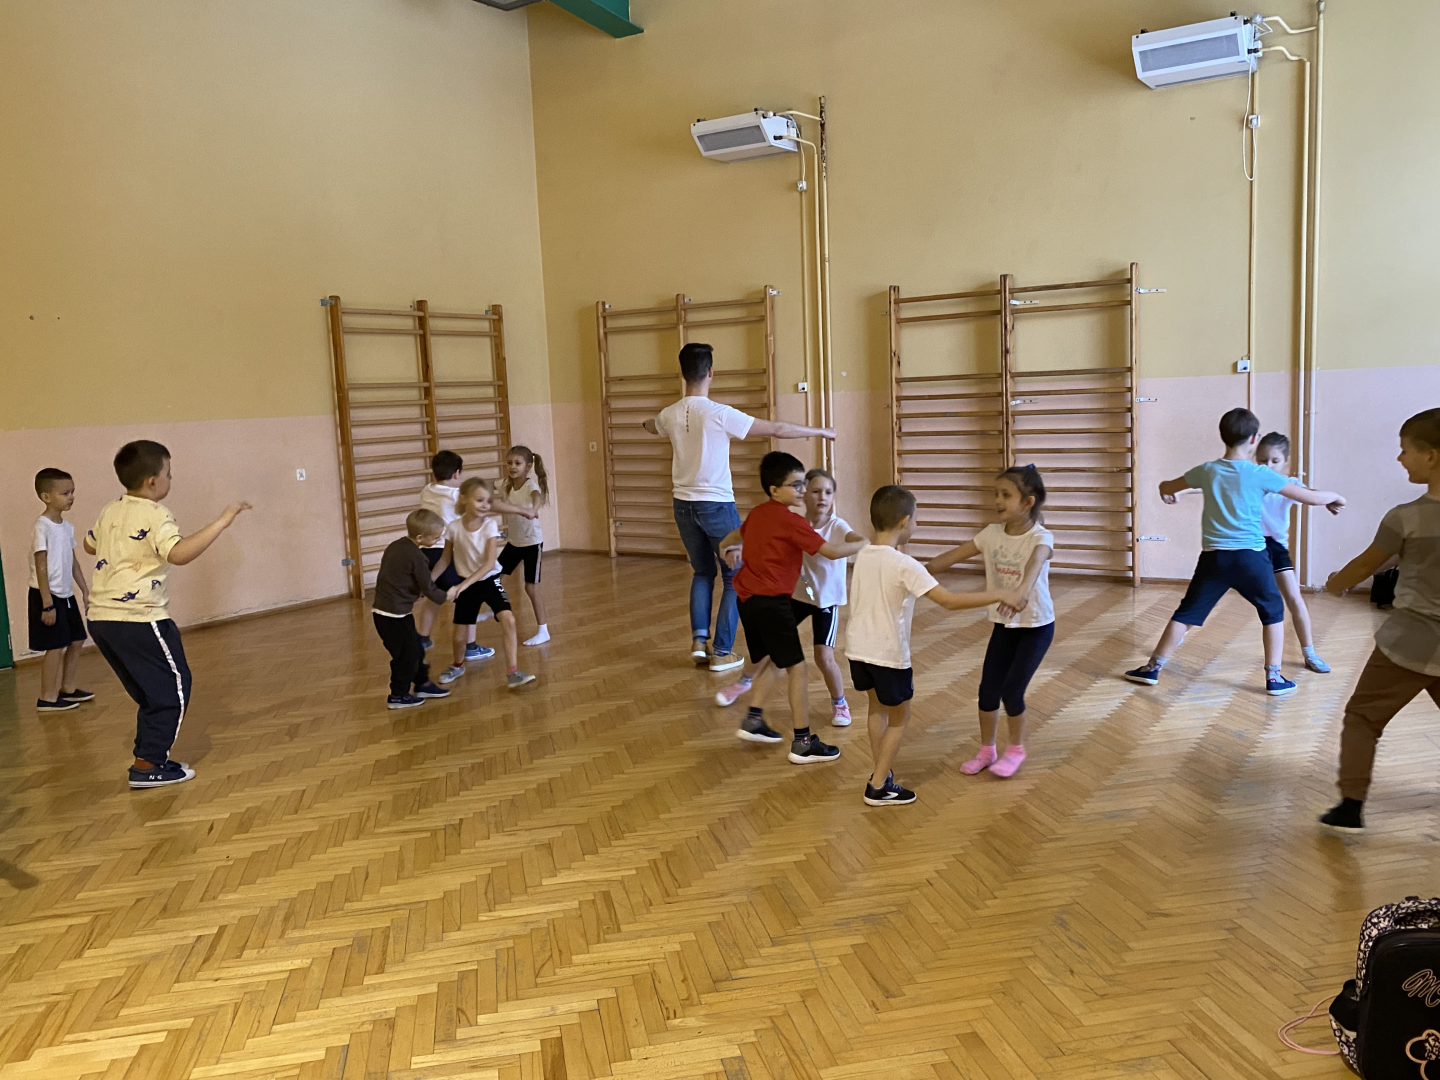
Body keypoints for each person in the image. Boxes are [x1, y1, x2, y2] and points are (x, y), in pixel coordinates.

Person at [643, 342, 837, 673]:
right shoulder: (719, 413)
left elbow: (652, 425)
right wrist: (821, 431)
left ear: (682, 373)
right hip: (716, 506)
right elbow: (777, 429)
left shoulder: (669, 414)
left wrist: (648, 424)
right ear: (710, 372)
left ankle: (699, 641)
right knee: (735, 575)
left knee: (702, 572)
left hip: (683, 506)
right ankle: (721, 651)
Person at [1123, 407, 1344, 696]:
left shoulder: (1207, 470)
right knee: (1273, 610)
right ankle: (1274, 678)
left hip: (1214, 558)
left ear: (1223, 436)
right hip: (1252, 557)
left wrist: (1168, 492)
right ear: (1254, 439)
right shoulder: (1260, 474)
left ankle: (1152, 668)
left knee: (1187, 613)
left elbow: (1168, 486)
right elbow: (1312, 498)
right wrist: (1335, 497)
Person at [83, 440, 251, 788]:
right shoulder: (156, 513)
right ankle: (148, 766)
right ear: (152, 482)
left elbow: (89, 544)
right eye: (169, 474)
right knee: (173, 689)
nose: (171, 480)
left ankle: (148, 757)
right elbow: (178, 553)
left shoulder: (111, 509)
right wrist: (222, 522)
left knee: (151, 691)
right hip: (139, 618)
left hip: (101, 620)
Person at [846, 485, 1021, 806]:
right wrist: (1000, 593)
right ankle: (878, 785)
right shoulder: (904, 564)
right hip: (887, 656)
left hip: (857, 651)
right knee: (899, 719)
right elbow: (949, 601)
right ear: (904, 521)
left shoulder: (863, 555)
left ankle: (882, 772)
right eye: (915, 519)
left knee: (876, 709)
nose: (916, 524)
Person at [1318, 408, 1440, 832]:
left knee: (1363, 717)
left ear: (1431, 456)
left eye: (1405, 450)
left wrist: (1335, 584)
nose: (1400, 458)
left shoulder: (1405, 516)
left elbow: (1365, 564)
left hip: (1408, 645)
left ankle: (1350, 805)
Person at [718, 452, 867, 763]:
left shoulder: (758, 513)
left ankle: (754, 719)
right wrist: (866, 544)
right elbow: (831, 551)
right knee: (797, 668)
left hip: (747, 602)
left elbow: (730, 539)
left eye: (804, 485)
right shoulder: (792, 521)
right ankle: (803, 742)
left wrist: (727, 550)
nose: (802, 490)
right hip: (773, 604)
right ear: (775, 490)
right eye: (797, 485)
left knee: (775, 659)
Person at [928, 465, 1055, 779]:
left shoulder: (1041, 537)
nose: (997, 500)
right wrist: (908, 569)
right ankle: (987, 750)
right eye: (995, 494)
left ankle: (1016, 749)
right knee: (987, 692)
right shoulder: (991, 534)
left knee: (1012, 691)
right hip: (1004, 625)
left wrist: (1020, 593)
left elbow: (1034, 567)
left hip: (1035, 627)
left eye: (1005, 495)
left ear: (1028, 502)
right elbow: (947, 559)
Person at [433, 478, 536, 690]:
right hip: (466, 584)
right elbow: (444, 560)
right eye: (479, 500)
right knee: (459, 636)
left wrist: (461, 587)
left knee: (508, 619)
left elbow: (489, 564)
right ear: (464, 499)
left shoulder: (490, 526)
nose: (485, 505)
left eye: (488, 501)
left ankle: (513, 672)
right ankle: (457, 665)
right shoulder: (453, 528)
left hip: (488, 581)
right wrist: (427, 583)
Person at [1257, 432, 1331, 673]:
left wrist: (1330, 500)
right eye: (1262, 460)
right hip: (1249, 545)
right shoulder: (1250, 480)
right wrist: (1180, 492)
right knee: (1214, 590)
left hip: (1275, 547)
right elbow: (1212, 485)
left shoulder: (1289, 485)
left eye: (1274, 461)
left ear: (1285, 461)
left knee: (1294, 598)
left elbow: (1312, 494)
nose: (1268, 466)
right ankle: (1179, 636)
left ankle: (1309, 653)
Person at [372, 508, 458, 710]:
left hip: (387, 613)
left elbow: (396, 577)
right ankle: (398, 695)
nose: (438, 540)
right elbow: (429, 588)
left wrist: (414, 590)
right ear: (420, 537)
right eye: (435, 537)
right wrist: (448, 595)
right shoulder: (418, 557)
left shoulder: (395, 546)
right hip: (394, 616)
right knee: (406, 656)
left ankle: (422, 684)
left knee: (416, 648)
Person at [29, 468, 93, 713]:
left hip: (65, 595)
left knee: (77, 639)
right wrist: (47, 603)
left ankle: (67, 688)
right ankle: (47, 697)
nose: (71, 497)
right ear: (46, 497)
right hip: (47, 596)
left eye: (72, 492)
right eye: (65, 493)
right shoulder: (42, 527)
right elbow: (41, 565)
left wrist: (84, 590)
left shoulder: (66, 527)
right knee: (55, 646)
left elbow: (72, 561)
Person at [497, 445, 551, 646]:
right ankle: (499, 609)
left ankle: (543, 630)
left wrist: (533, 510)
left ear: (528, 467)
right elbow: (486, 488)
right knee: (494, 579)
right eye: (509, 463)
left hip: (531, 544)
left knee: (531, 588)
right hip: (514, 543)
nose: (512, 466)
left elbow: (537, 497)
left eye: (517, 463)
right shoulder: (505, 484)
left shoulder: (530, 486)